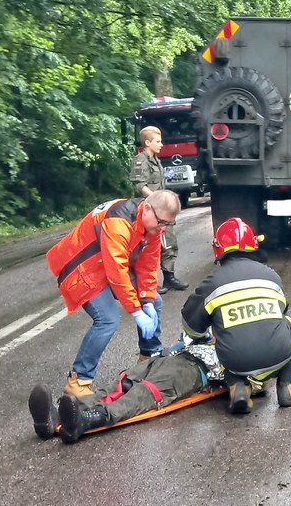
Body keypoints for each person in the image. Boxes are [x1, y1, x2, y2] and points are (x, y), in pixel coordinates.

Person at [46, 190, 181, 398]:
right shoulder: (118, 222)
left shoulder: (152, 226)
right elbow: (116, 271)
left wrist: (146, 301)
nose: (163, 228)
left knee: (155, 301)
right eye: (161, 222)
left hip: (109, 264)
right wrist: (136, 311)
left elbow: (148, 265)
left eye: (168, 224)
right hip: (83, 269)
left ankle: (149, 360)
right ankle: (78, 380)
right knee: (107, 319)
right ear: (146, 208)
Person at [182, 218, 291, 414]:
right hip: (279, 355)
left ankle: (238, 387)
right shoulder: (271, 276)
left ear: (218, 250)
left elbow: (191, 329)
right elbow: (282, 312)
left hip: (236, 363)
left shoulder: (211, 284)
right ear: (253, 246)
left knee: (222, 338)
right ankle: (287, 385)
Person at [26, 340, 227, 444]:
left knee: (145, 392)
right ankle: (54, 418)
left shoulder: (245, 348)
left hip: (196, 370)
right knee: (124, 383)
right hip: (173, 357)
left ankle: (87, 419)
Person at [130, 125, 188, 293]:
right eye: (158, 141)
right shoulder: (141, 160)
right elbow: (140, 185)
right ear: (147, 142)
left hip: (162, 212)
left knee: (168, 243)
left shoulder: (156, 160)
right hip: (151, 212)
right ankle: (148, 284)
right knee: (148, 249)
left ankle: (169, 277)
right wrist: (156, 202)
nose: (161, 144)